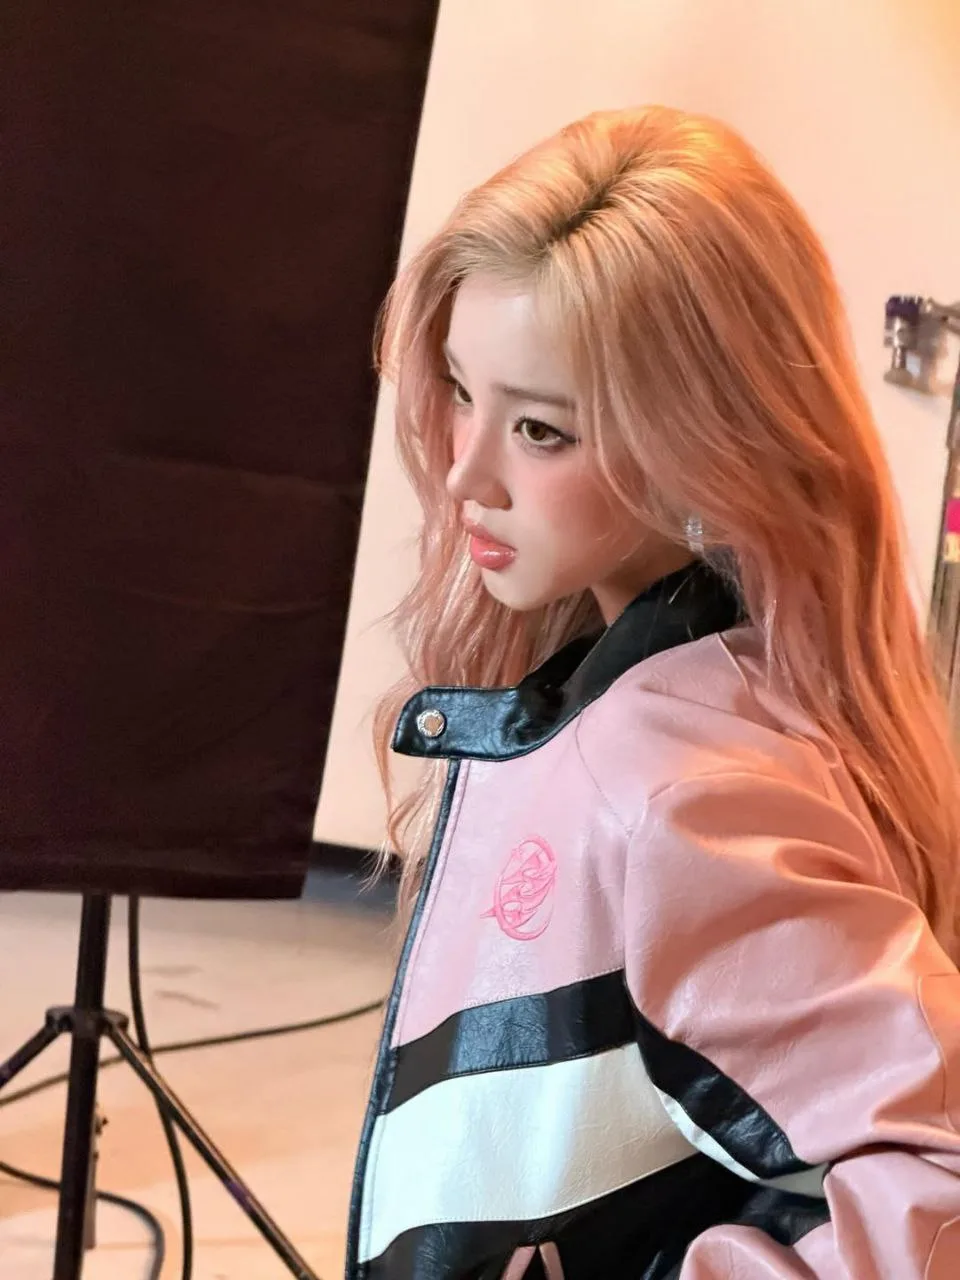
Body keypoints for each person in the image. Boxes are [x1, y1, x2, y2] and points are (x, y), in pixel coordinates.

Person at [343, 105, 960, 1280]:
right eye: (462, 390)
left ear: (705, 445)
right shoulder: (627, 709)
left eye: (540, 429)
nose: (467, 472)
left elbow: (938, 1175)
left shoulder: (693, 788)